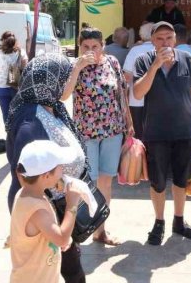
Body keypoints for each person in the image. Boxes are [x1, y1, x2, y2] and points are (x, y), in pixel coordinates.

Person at [6, 53, 88, 283]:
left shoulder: (50, 106)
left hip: (52, 200)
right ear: (51, 82)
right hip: (47, 207)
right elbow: (25, 170)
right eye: (66, 78)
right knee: (70, 270)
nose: (70, 83)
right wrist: (68, 198)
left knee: (64, 264)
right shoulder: (29, 121)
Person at [133, 21, 191, 245]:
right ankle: (158, 222)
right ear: (152, 41)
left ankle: (179, 221)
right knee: (158, 182)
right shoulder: (143, 61)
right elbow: (137, 93)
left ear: (175, 40)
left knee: (181, 180)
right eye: (160, 38)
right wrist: (155, 66)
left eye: (169, 38)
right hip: (156, 131)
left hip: (185, 130)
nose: (165, 42)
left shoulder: (188, 60)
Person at [61, 27, 133, 246]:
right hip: (86, 132)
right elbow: (64, 95)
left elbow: (121, 93)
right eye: (86, 47)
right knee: (86, 182)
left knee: (106, 181)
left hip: (112, 130)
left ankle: (101, 230)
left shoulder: (112, 62)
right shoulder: (74, 65)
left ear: (102, 46)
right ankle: (81, 227)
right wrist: (78, 68)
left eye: (95, 46)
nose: (91, 50)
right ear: (80, 47)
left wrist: (129, 122)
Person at [9, 140, 83, 283]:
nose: (63, 169)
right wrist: (72, 204)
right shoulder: (37, 209)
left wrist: (57, 239)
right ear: (46, 176)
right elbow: (61, 239)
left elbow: (46, 234)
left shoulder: (25, 194)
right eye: (60, 167)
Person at [123, 23, 156, 140]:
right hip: (158, 102)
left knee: (139, 138)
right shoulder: (161, 50)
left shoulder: (135, 51)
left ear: (141, 36)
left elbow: (126, 78)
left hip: (136, 102)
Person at [0, 31, 28, 125]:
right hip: (15, 85)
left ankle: (9, 135)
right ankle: (17, 135)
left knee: (6, 113)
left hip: (1, 87)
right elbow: (25, 69)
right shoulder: (21, 52)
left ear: (3, 40)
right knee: (17, 112)